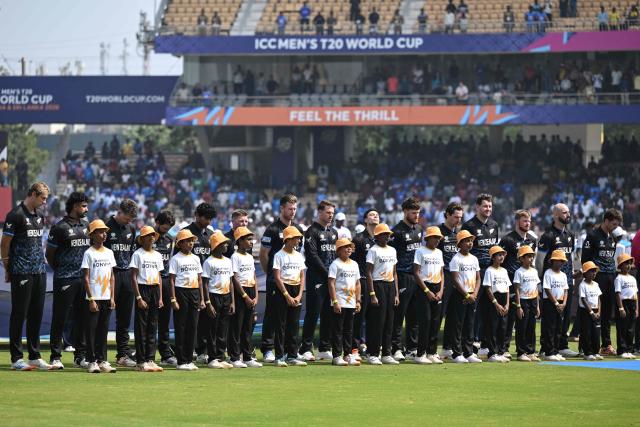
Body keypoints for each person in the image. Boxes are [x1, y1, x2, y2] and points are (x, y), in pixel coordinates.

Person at [2, 182, 50, 371]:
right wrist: (7, 266)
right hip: (21, 270)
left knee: (36, 314)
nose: (45, 202)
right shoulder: (15, 215)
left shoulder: (39, 216)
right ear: (32, 194)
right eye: (43, 198)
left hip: (39, 270)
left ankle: (35, 355)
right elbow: (5, 243)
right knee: (19, 314)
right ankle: (16, 358)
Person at [46, 191, 90, 370]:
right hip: (64, 278)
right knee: (60, 319)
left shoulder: (87, 226)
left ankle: (80, 356)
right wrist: (61, 269)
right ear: (74, 206)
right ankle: (55, 357)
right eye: (83, 206)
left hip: (83, 279)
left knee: (82, 319)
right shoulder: (60, 228)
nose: (86, 209)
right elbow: (50, 255)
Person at [259, 194, 303, 363]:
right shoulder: (272, 229)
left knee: (291, 318)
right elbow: (264, 254)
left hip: (292, 279)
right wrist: (270, 274)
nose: (292, 212)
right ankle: (268, 348)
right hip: (275, 280)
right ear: (282, 208)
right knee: (272, 314)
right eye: (289, 208)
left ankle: (290, 351)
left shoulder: (298, 229)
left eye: (294, 209)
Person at [177, 202, 216, 364]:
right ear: (197, 216)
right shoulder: (185, 233)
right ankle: (187, 352)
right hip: (189, 283)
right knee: (188, 321)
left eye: (210, 218)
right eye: (205, 218)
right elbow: (177, 257)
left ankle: (203, 350)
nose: (208, 221)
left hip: (209, 281)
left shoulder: (211, 234)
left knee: (207, 318)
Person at [537, 203, 578, 357]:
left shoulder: (570, 235)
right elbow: (539, 260)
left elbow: (571, 257)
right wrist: (541, 280)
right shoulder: (547, 235)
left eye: (568, 212)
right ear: (555, 215)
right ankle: (545, 347)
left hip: (566, 280)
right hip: (550, 281)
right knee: (550, 317)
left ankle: (562, 346)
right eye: (564, 212)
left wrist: (572, 276)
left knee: (565, 315)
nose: (568, 215)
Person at [299, 200, 337, 362]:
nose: (331, 216)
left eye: (332, 213)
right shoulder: (311, 232)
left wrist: (334, 273)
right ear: (319, 212)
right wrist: (327, 273)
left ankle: (324, 347)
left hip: (331, 279)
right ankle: (306, 348)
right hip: (317, 278)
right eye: (328, 212)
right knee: (313, 313)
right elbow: (312, 256)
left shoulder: (334, 232)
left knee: (328, 314)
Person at [461, 194, 499, 356]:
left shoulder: (494, 225)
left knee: (490, 308)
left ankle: (486, 344)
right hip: (475, 272)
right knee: (473, 308)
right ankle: (470, 344)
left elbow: (494, 248)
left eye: (490, 206)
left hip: (491, 271)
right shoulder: (469, 225)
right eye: (485, 206)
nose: (488, 209)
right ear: (477, 207)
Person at [581, 208, 622, 356]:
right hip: (597, 278)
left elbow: (610, 257)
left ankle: (606, 344)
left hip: (611, 276)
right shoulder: (592, 236)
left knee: (607, 313)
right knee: (592, 312)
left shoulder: (613, 237)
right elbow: (585, 260)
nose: (615, 227)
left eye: (617, 224)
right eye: (613, 224)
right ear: (606, 221)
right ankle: (588, 346)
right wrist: (589, 278)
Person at [103, 199, 138, 368]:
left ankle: (122, 354)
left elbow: (131, 252)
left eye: (132, 218)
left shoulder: (131, 229)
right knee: (104, 315)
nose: (129, 221)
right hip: (110, 275)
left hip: (127, 275)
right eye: (127, 217)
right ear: (120, 212)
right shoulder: (106, 228)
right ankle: (98, 354)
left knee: (124, 318)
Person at [499, 209, 537, 359]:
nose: (527, 223)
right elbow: (499, 260)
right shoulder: (508, 239)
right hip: (510, 282)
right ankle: (505, 348)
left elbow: (532, 263)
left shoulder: (532, 241)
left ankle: (528, 349)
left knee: (527, 319)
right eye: (524, 221)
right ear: (517, 222)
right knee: (509, 318)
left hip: (527, 285)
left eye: (529, 221)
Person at [390, 197, 423, 361]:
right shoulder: (396, 232)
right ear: (405, 212)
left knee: (414, 315)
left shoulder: (419, 229)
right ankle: (396, 348)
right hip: (402, 276)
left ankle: (412, 347)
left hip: (417, 276)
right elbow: (392, 259)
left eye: (418, 213)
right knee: (399, 314)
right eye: (413, 213)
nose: (416, 216)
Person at [81, 219, 117, 374]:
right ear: (93, 235)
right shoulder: (88, 253)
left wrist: (112, 297)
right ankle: (91, 361)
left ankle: (102, 360)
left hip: (107, 297)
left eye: (105, 232)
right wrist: (91, 299)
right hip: (94, 298)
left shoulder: (109, 252)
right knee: (91, 331)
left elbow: (112, 277)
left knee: (103, 330)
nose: (104, 235)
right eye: (101, 232)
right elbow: (86, 278)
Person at [130, 226, 164, 372]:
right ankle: (141, 360)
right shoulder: (138, 254)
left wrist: (161, 297)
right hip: (142, 289)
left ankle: (150, 359)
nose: (151, 238)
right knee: (141, 326)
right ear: (142, 239)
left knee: (153, 326)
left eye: (153, 235)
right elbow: (133, 277)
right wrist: (138, 297)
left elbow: (160, 277)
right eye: (148, 236)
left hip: (155, 289)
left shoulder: (157, 255)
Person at [169, 229, 204, 371]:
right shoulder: (176, 259)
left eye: (192, 241)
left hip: (194, 292)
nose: (191, 243)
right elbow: (171, 280)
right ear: (180, 243)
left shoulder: (196, 258)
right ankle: (181, 361)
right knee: (181, 327)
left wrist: (202, 298)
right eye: (187, 241)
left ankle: (189, 359)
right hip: (181, 292)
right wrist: (173, 299)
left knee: (192, 327)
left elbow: (200, 279)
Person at [272, 226, 307, 367]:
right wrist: (286, 295)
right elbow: (277, 277)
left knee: (294, 324)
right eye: (296, 238)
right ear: (288, 239)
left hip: (296, 289)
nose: (298, 240)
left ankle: (292, 354)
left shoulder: (299, 256)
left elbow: (302, 274)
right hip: (283, 290)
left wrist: (299, 294)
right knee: (281, 324)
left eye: (299, 238)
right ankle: (279, 356)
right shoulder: (278, 255)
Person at [365, 224, 399, 365]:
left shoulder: (392, 250)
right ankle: (373, 353)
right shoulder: (373, 251)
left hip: (390, 285)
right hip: (378, 285)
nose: (386, 236)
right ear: (377, 236)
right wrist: (372, 293)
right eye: (383, 234)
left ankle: (386, 353)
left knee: (389, 321)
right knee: (378, 321)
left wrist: (396, 294)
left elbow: (395, 272)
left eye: (388, 234)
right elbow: (368, 272)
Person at [447, 230, 482, 363]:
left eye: (471, 241)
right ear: (460, 243)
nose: (470, 243)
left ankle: (469, 353)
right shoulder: (456, 259)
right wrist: (467, 294)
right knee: (458, 324)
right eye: (466, 241)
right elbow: (455, 280)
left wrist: (474, 294)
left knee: (470, 324)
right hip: (460, 295)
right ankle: (457, 354)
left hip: (472, 294)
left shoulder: (474, 259)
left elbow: (478, 278)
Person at [229, 227, 262, 368]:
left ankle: (247, 356)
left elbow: (253, 276)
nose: (251, 242)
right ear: (239, 241)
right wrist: (244, 296)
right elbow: (234, 278)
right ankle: (234, 357)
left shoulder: (249, 257)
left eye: (251, 239)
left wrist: (256, 294)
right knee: (237, 326)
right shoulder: (234, 257)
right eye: (248, 239)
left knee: (248, 327)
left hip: (251, 291)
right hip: (240, 292)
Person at [412, 226, 445, 365]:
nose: (437, 240)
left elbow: (442, 273)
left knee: (435, 322)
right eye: (435, 238)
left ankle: (432, 352)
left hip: (437, 287)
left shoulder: (439, 252)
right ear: (427, 238)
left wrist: (441, 291)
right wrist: (427, 291)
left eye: (439, 238)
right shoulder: (420, 251)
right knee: (425, 321)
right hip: (424, 287)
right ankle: (420, 354)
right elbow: (416, 272)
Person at [201, 231, 235, 369]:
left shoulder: (228, 261)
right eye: (223, 243)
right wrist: (208, 302)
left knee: (223, 328)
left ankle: (221, 357)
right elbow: (205, 283)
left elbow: (231, 281)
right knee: (212, 329)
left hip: (226, 296)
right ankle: (212, 358)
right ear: (216, 245)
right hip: (214, 296)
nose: (226, 245)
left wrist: (232, 301)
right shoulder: (209, 262)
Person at [328, 238, 361, 366]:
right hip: (340, 302)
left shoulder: (354, 264)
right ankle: (336, 356)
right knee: (338, 330)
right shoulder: (335, 264)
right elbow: (331, 283)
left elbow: (358, 284)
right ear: (338, 250)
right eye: (345, 247)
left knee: (349, 330)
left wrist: (358, 301)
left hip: (351, 302)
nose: (349, 249)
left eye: (350, 247)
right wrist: (335, 301)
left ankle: (347, 355)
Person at [350, 208, 379, 359]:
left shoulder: (383, 238)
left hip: (378, 281)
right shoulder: (359, 239)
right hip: (362, 280)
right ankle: (354, 349)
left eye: (377, 215)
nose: (375, 216)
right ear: (365, 220)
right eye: (371, 215)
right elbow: (351, 262)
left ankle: (371, 350)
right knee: (359, 317)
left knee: (375, 318)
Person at [437, 202, 463, 359]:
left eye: (460, 217)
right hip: (442, 277)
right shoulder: (437, 233)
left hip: (456, 277)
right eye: (455, 217)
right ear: (446, 215)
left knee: (455, 316)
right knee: (438, 315)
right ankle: (429, 349)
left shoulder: (458, 235)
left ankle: (448, 348)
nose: (458, 220)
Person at [154, 210, 177, 366]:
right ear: (157, 223)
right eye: (164, 227)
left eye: (168, 228)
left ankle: (165, 354)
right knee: (149, 320)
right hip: (150, 283)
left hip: (166, 282)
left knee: (164, 321)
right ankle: (144, 353)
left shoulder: (170, 239)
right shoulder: (145, 237)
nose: (166, 231)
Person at [482, 246, 511, 363]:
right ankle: (492, 353)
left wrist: (508, 304)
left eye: (503, 255)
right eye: (499, 255)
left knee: (502, 328)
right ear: (493, 257)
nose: (502, 257)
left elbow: (508, 288)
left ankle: (500, 352)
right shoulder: (489, 270)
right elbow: (488, 289)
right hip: (494, 300)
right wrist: (496, 303)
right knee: (492, 327)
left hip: (504, 300)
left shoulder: (504, 271)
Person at [513, 246, 541, 362]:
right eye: (528, 256)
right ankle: (521, 352)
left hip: (533, 301)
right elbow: (517, 290)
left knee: (531, 327)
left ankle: (531, 351)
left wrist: (538, 306)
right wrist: (518, 306)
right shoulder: (519, 272)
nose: (531, 258)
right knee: (522, 327)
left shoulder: (535, 271)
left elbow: (536, 289)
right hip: (523, 301)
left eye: (532, 256)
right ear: (521, 259)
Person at [541, 250, 569, 361]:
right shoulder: (548, 273)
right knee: (550, 328)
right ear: (552, 261)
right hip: (550, 303)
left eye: (562, 261)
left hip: (561, 303)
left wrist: (564, 303)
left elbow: (566, 290)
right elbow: (547, 290)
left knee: (559, 328)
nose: (561, 263)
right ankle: (548, 352)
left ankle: (555, 351)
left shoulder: (563, 275)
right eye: (558, 261)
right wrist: (556, 303)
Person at [614, 253, 638, 359]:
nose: (628, 266)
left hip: (632, 303)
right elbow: (618, 293)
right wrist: (621, 308)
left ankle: (629, 349)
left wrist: (637, 309)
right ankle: (622, 350)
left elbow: (635, 294)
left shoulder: (633, 278)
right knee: (622, 327)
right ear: (620, 265)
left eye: (629, 263)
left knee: (630, 328)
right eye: (625, 264)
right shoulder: (618, 278)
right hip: (624, 303)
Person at [578, 261, 602, 361]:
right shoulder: (582, 285)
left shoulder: (596, 284)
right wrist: (591, 312)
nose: (594, 273)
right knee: (586, 332)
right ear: (585, 273)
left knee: (596, 333)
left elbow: (599, 298)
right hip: (586, 311)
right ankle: (587, 352)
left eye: (595, 271)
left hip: (596, 311)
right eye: (591, 271)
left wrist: (599, 312)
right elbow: (583, 300)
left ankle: (596, 351)